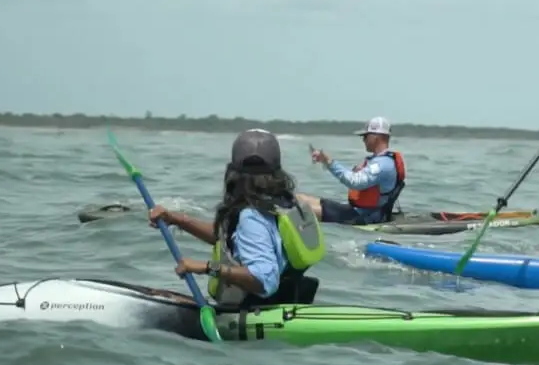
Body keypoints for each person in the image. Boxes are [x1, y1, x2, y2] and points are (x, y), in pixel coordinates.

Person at [147, 129, 326, 307]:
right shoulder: (284, 204)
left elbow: (264, 280)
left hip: (252, 311)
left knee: (161, 297)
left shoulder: (251, 216)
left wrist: (207, 267)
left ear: (233, 173)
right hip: (285, 304)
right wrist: (176, 219)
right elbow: (229, 238)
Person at [296, 116, 406, 226]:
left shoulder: (382, 165)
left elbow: (354, 182)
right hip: (356, 210)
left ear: (376, 137)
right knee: (298, 198)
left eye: (366, 136)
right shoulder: (379, 161)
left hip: (365, 216)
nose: (363, 140)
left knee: (299, 209)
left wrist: (329, 162)